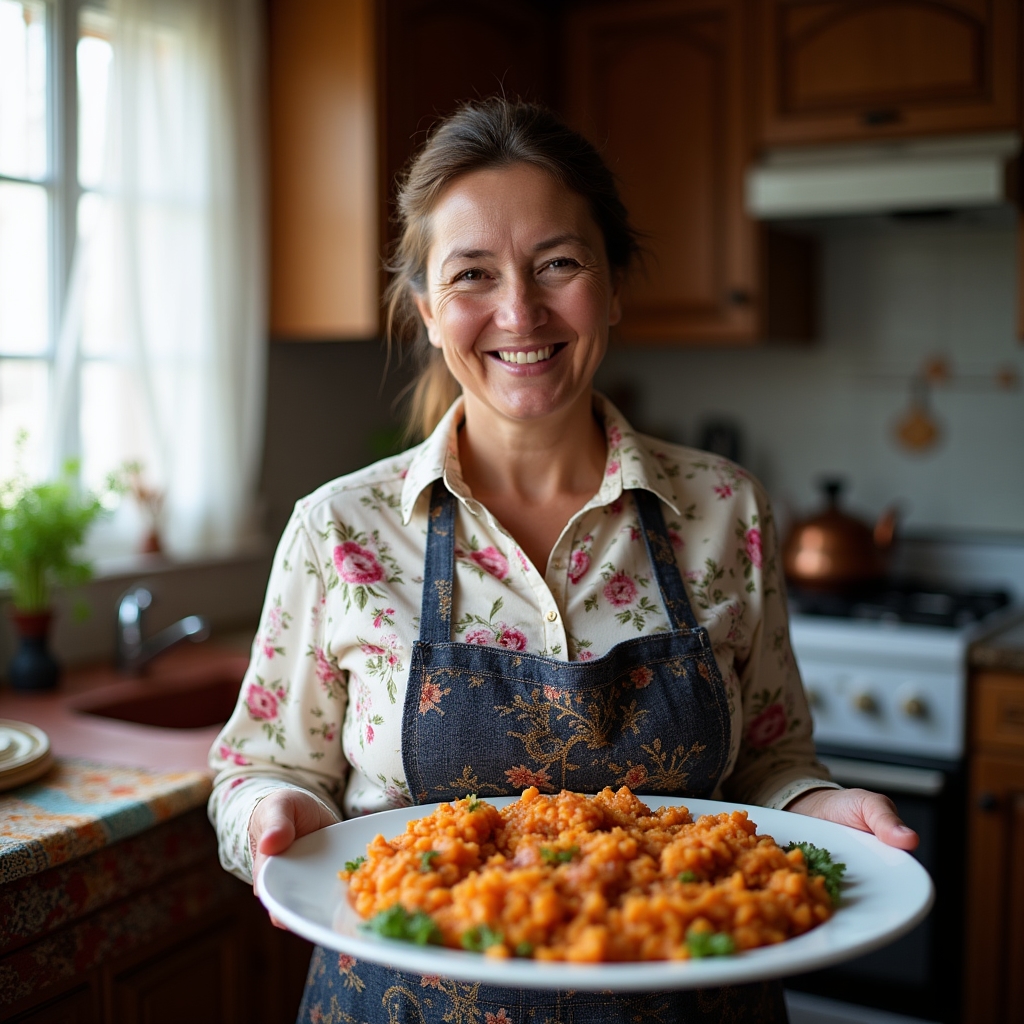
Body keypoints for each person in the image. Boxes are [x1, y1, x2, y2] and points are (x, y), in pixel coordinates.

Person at [208, 97, 918, 1024]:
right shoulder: (338, 530)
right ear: (427, 310)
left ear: (614, 286)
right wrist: (269, 814)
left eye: (559, 263)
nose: (519, 311)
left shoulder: (724, 510)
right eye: (472, 275)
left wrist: (821, 808)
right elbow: (261, 766)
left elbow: (771, 762)